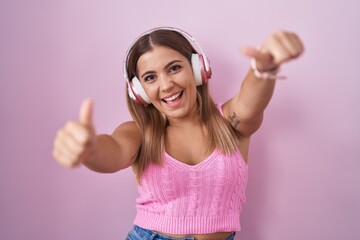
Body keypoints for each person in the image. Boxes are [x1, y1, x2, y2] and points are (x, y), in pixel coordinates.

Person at [52, 27, 304, 240]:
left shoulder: (230, 123)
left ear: (197, 69)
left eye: (174, 68)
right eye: (151, 78)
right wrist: (89, 149)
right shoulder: (140, 133)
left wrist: (263, 70)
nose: (166, 84)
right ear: (139, 92)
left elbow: (250, 103)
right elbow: (114, 150)